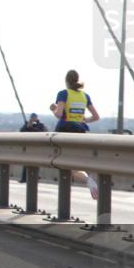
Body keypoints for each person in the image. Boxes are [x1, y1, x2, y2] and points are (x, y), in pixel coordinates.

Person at [52, 70, 101, 199]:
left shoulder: (63, 94)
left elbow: (58, 114)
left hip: (65, 131)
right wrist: (85, 119)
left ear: (66, 81)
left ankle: (67, 195)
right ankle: (87, 180)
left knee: (64, 164)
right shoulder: (85, 96)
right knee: (74, 164)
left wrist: (53, 109)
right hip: (80, 131)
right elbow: (96, 116)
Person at [17, 113, 48, 183]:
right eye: (32, 117)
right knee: (26, 163)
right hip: (28, 146)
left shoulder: (41, 125)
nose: (33, 119)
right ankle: (24, 178)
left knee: (36, 162)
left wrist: (32, 128)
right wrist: (27, 126)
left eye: (34, 117)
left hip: (37, 146)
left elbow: (43, 133)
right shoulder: (27, 124)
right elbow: (21, 131)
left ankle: (35, 177)